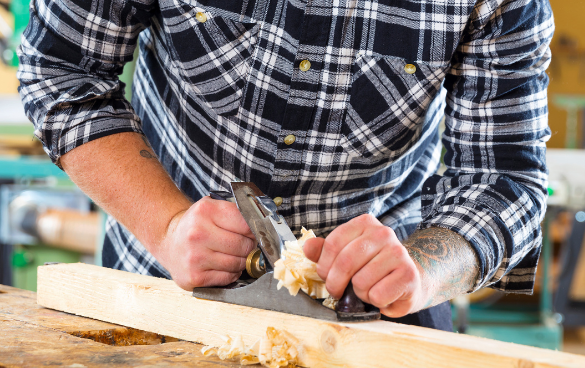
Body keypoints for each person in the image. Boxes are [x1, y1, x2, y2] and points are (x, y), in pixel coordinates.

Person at [17, 0, 554, 331]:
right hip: (162, 281)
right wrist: (167, 225)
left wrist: (421, 267)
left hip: (376, 305)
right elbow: (62, 69)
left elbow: (505, 179)